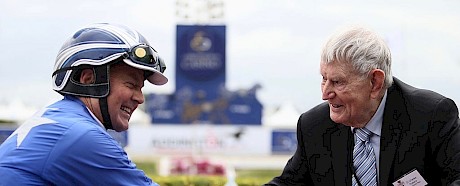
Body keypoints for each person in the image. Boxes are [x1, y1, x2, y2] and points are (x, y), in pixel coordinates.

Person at [266, 26, 460, 186]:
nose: (325, 94)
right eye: (324, 79)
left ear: (375, 82)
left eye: (338, 82)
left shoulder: (432, 115)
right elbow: (288, 183)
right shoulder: (314, 125)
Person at [0, 23, 167, 185]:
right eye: (131, 85)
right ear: (88, 79)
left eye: (140, 88)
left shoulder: (60, 118)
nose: (140, 98)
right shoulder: (82, 136)